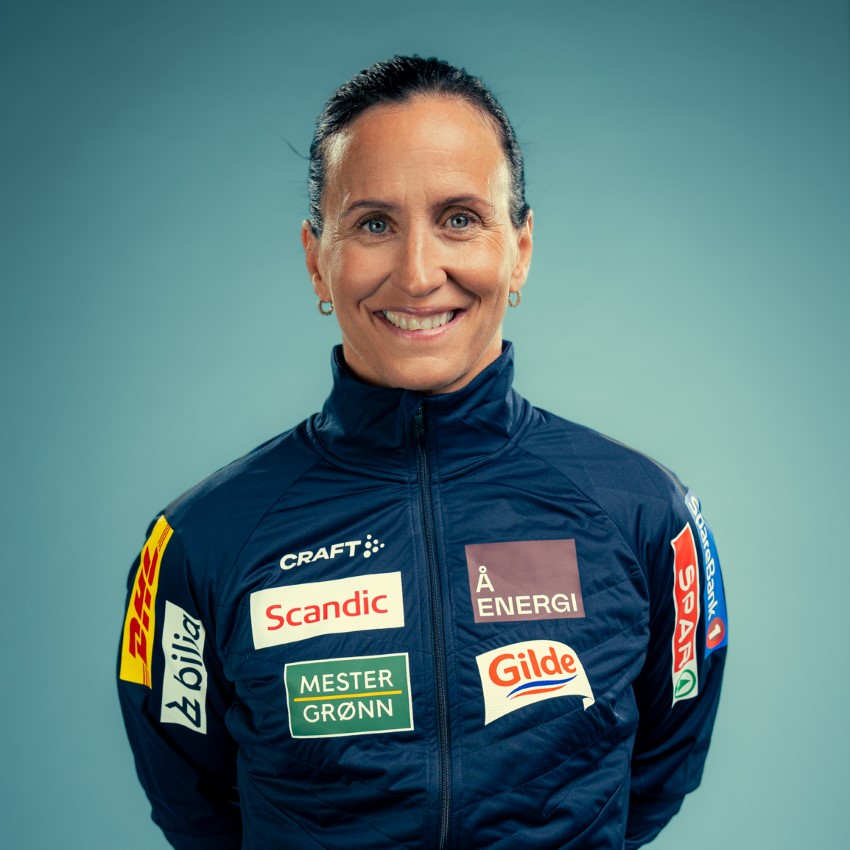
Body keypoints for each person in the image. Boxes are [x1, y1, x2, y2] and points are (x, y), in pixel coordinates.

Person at [117, 55, 728, 850]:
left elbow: (657, 773)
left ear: (520, 250)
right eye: (374, 224)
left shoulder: (648, 515)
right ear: (316, 259)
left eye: (459, 219)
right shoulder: (199, 540)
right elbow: (193, 804)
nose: (416, 274)